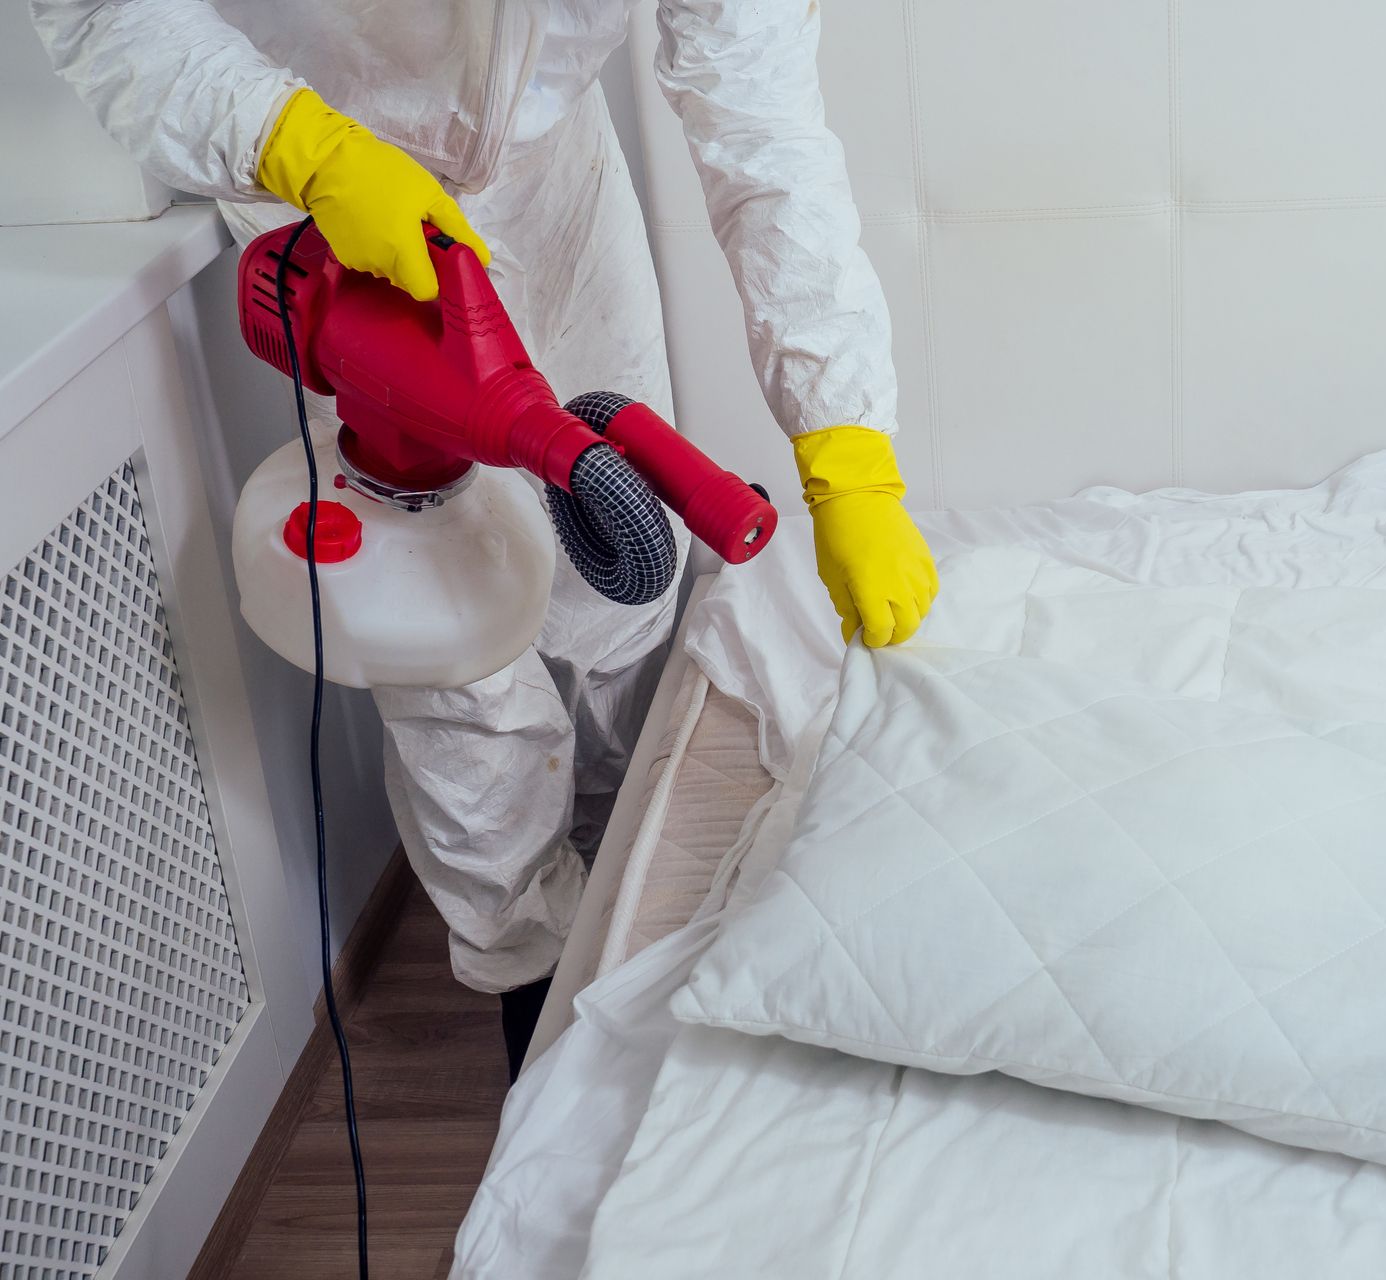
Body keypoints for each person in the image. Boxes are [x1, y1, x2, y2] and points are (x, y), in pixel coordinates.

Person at [33, 0, 938, 1078]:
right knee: (457, 655)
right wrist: (300, 146)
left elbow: (763, 131)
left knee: (625, 582)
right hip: (331, 188)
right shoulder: (311, 161)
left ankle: (622, 898)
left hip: (552, 182)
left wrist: (847, 448)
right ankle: (533, 1000)